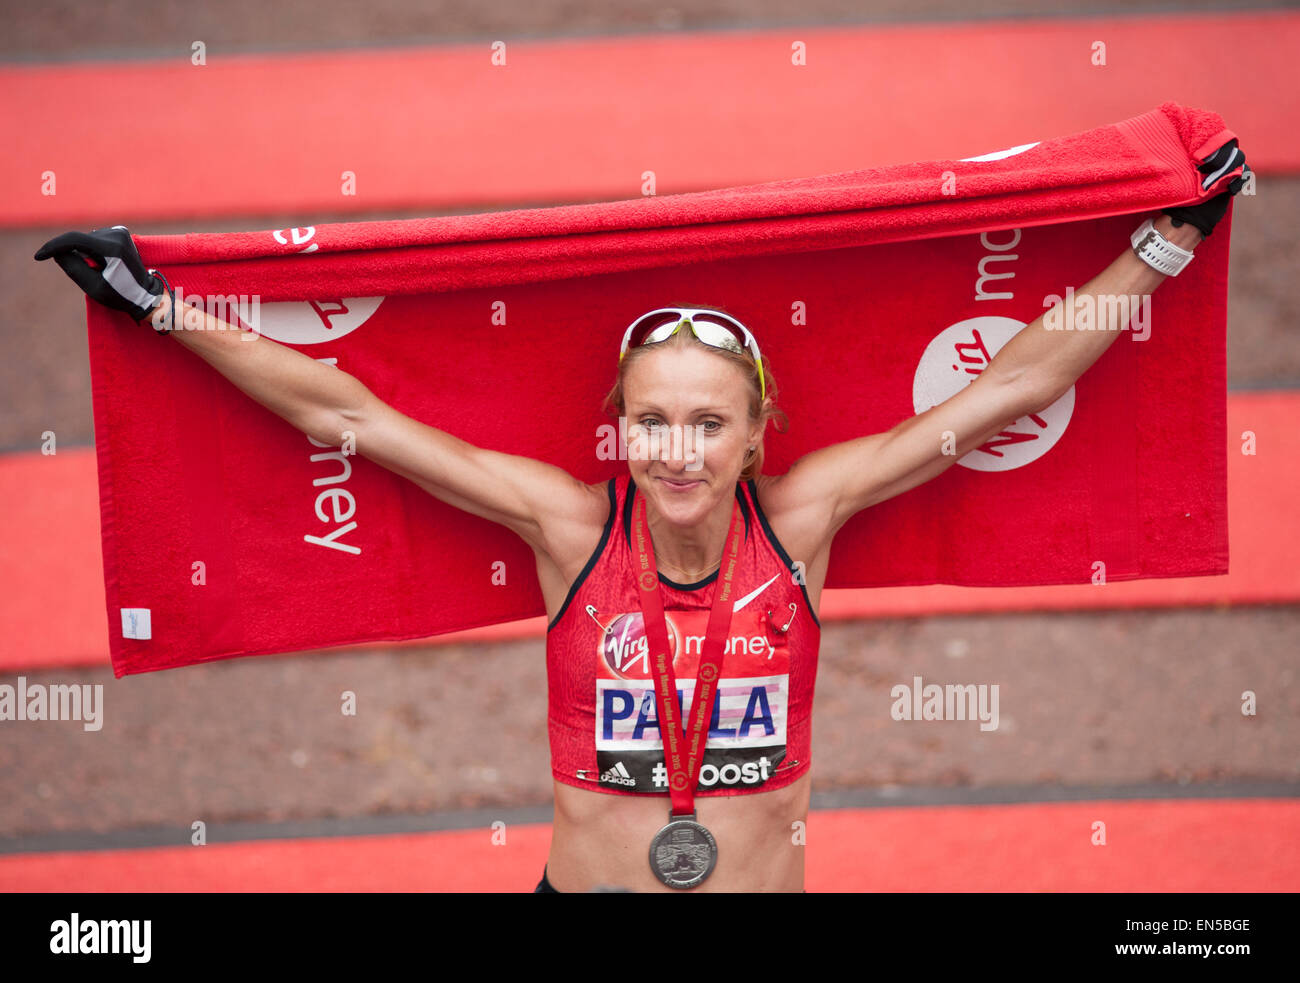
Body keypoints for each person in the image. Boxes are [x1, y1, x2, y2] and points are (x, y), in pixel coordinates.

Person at [35, 143, 1248, 892]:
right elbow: (351, 414)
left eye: (708, 423)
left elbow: (1012, 388)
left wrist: (1166, 239)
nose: (679, 450)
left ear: (756, 433)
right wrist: (162, 304)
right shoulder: (567, 528)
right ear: (619, 426)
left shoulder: (806, 518)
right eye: (655, 421)